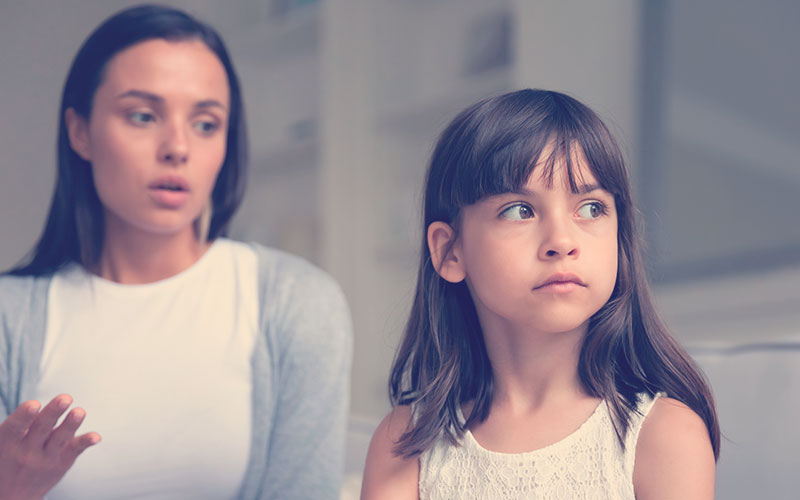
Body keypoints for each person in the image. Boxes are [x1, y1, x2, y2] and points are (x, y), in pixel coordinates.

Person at [0, 5, 351, 499]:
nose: (177, 147)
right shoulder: (9, 318)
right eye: (143, 116)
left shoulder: (299, 303)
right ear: (80, 131)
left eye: (206, 124)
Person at [361, 89, 719, 499]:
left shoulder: (663, 436)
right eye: (520, 210)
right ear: (449, 251)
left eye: (591, 208)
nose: (562, 241)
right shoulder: (404, 444)